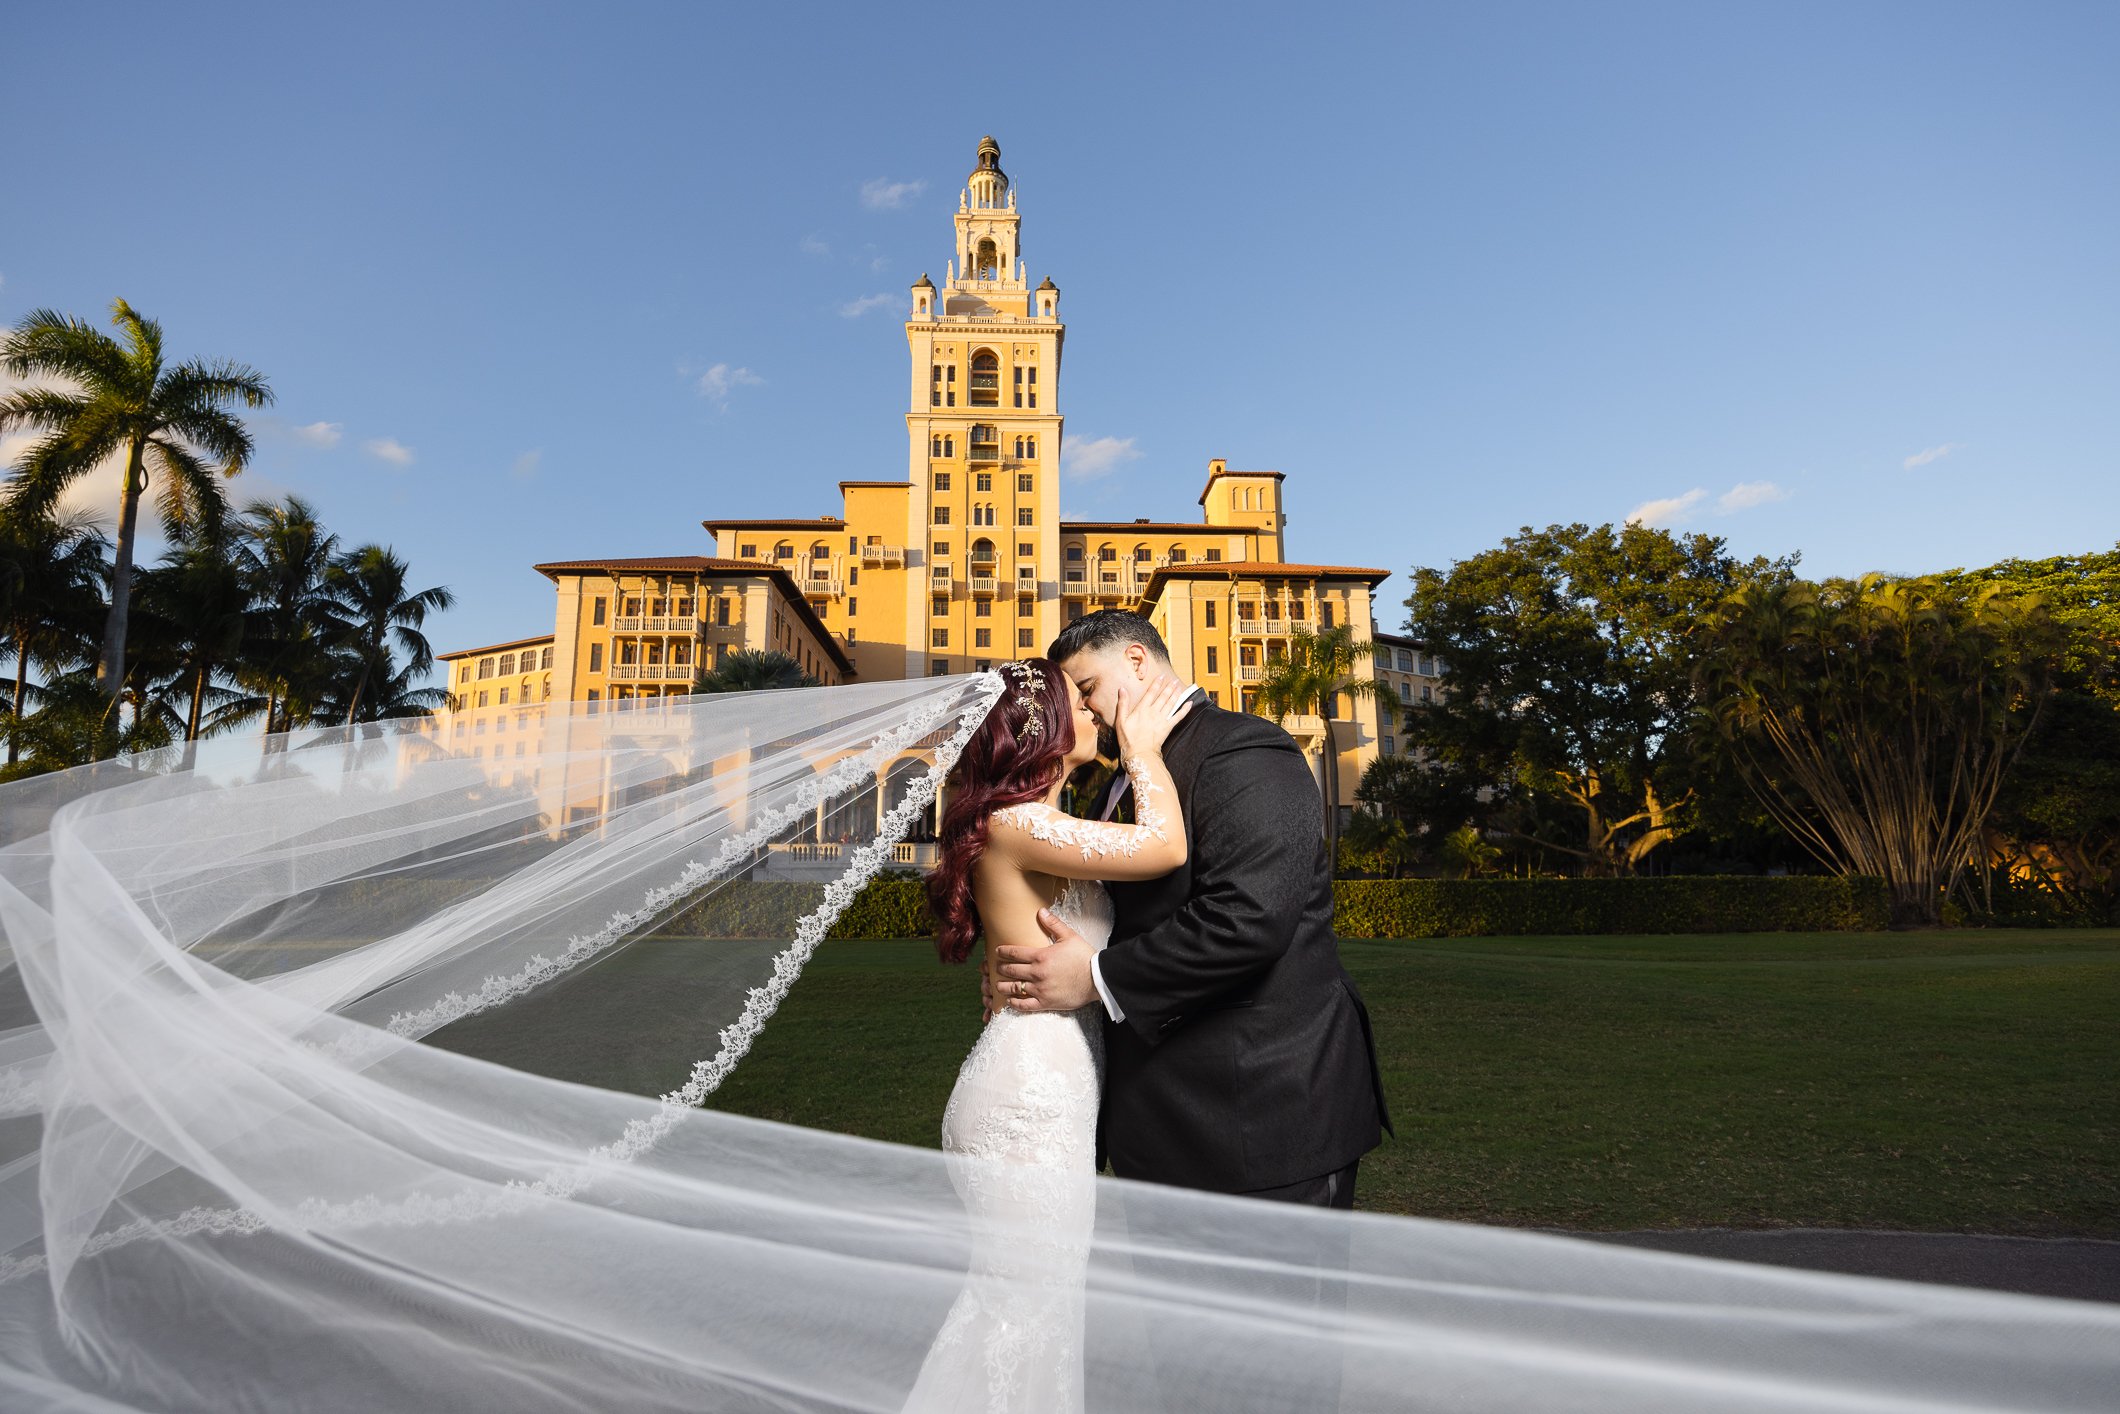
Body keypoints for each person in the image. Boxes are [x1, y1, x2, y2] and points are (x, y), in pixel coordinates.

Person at [998, 610, 1390, 1206]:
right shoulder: (1121, 779)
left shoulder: (1244, 750)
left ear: (1135, 660)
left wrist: (1095, 977)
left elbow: (1246, 919)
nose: (1084, 713)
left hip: (1259, 1117)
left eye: (1086, 690)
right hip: (1159, 1123)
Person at [902, 657, 1195, 1413]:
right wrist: (1145, 751)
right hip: (1029, 1100)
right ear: (1043, 731)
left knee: (1030, 1308)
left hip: (1042, 1082)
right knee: (1025, 1311)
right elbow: (1163, 848)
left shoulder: (1045, 825)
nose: (1098, 713)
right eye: (1082, 703)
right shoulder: (1018, 824)